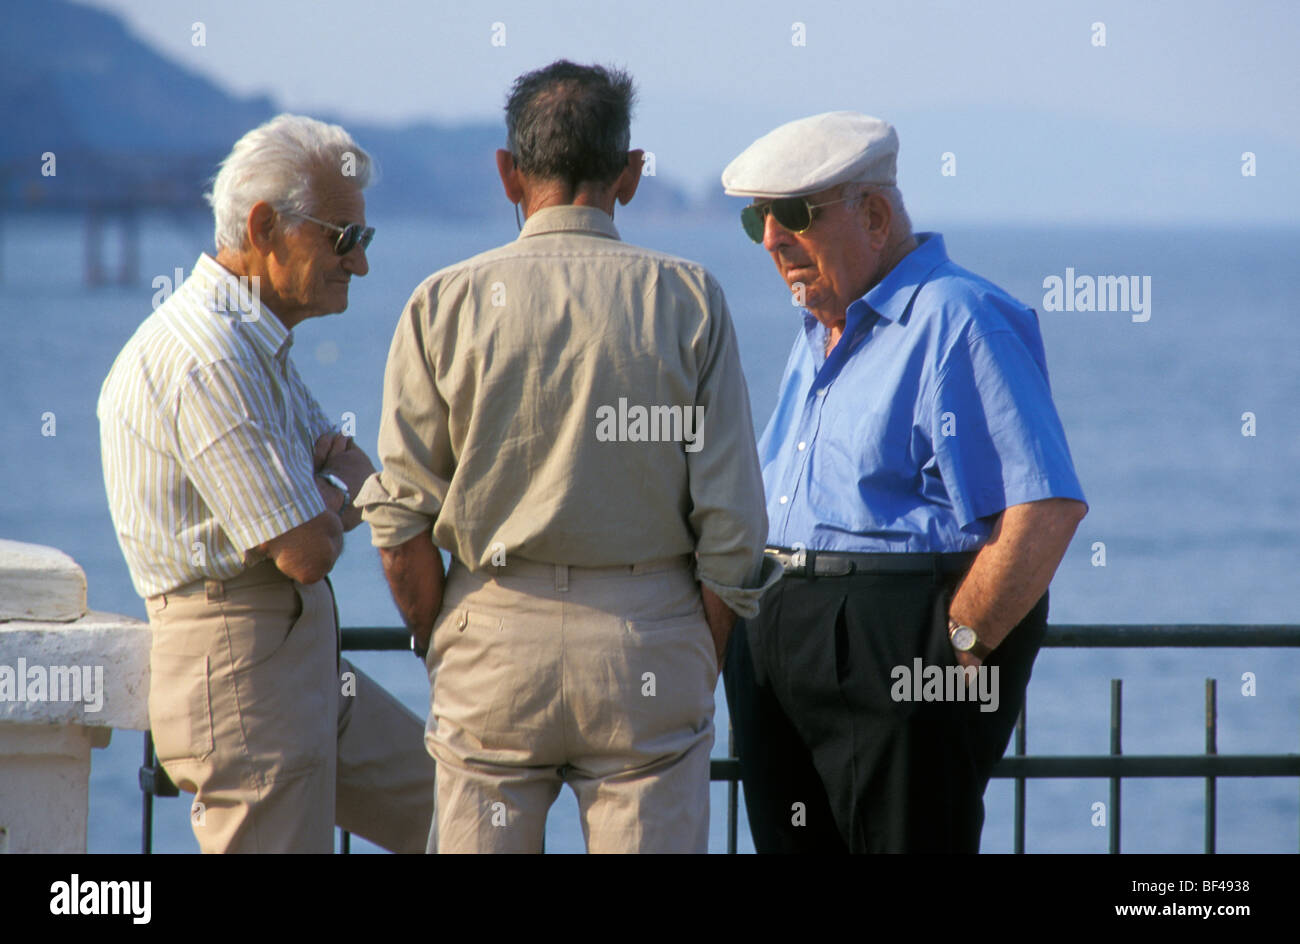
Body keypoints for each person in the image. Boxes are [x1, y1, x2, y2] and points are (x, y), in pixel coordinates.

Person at [357, 60, 778, 854]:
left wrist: (442, 634)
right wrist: (694, 647)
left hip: (490, 636)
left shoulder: (441, 302)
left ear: (508, 173)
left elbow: (399, 518)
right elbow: (733, 522)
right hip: (647, 639)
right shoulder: (687, 298)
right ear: (630, 174)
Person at [719, 111, 1088, 853]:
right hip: (780, 644)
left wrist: (954, 645)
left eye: (792, 214)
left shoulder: (960, 316)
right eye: (757, 216)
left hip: (893, 650)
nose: (770, 238)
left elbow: (1045, 508)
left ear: (876, 216)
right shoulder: (820, 326)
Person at [98, 113, 435, 853]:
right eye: (344, 239)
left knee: (460, 817)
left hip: (297, 665)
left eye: (364, 239)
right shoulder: (211, 358)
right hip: (245, 677)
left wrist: (319, 501)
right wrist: (325, 505)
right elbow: (307, 551)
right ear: (262, 226)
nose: (361, 263)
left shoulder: (253, 344)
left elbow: (351, 467)